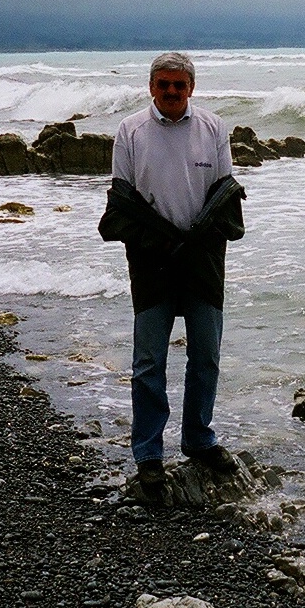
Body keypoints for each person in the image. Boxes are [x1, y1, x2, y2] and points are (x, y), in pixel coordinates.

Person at [98, 52, 246, 488]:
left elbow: (224, 195)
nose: (171, 92)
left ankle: (199, 439)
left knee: (207, 356)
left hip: (203, 260)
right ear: (151, 87)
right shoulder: (130, 131)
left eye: (179, 85)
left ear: (191, 88)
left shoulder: (214, 128)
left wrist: (196, 240)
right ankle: (148, 453)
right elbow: (121, 202)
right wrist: (160, 241)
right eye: (163, 84)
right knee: (148, 361)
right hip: (151, 262)